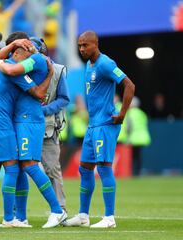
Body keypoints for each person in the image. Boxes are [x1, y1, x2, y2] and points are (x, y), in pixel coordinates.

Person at [64, 30, 135, 228]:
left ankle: (109, 218)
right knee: (84, 168)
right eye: (79, 45)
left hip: (105, 125)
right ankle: (83, 215)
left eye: (85, 45)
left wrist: (122, 114)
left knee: (104, 169)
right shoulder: (89, 64)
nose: (81, 49)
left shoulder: (105, 63)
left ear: (95, 44)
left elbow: (129, 85)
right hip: (92, 125)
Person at [0, 37, 68, 228]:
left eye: (21, 49)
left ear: (31, 49)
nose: (16, 54)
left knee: (30, 165)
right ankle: (21, 216)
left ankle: (57, 210)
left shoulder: (36, 60)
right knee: (21, 166)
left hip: (29, 119)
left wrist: (1, 62)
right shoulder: (35, 64)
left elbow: (9, 68)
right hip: (22, 119)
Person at [0, 44, 53, 228]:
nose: (30, 60)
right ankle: (8, 219)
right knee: (12, 169)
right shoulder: (15, 72)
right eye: (27, 54)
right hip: (1, 123)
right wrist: (50, 75)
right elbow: (38, 93)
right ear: (18, 53)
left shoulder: (1, 67)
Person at [31, 37, 70, 212]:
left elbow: (64, 98)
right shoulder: (21, 69)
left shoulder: (58, 70)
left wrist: (44, 110)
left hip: (48, 128)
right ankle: (16, 213)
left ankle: (60, 210)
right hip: (25, 127)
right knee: (16, 170)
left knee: (53, 170)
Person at [126, 97, 151, 176]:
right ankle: (138, 172)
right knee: (139, 156)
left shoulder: (129, 113)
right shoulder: (142, 113)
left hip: (134, 138)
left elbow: (128, 127)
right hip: (143, 137)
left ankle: (133, 173)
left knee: (133, 157)